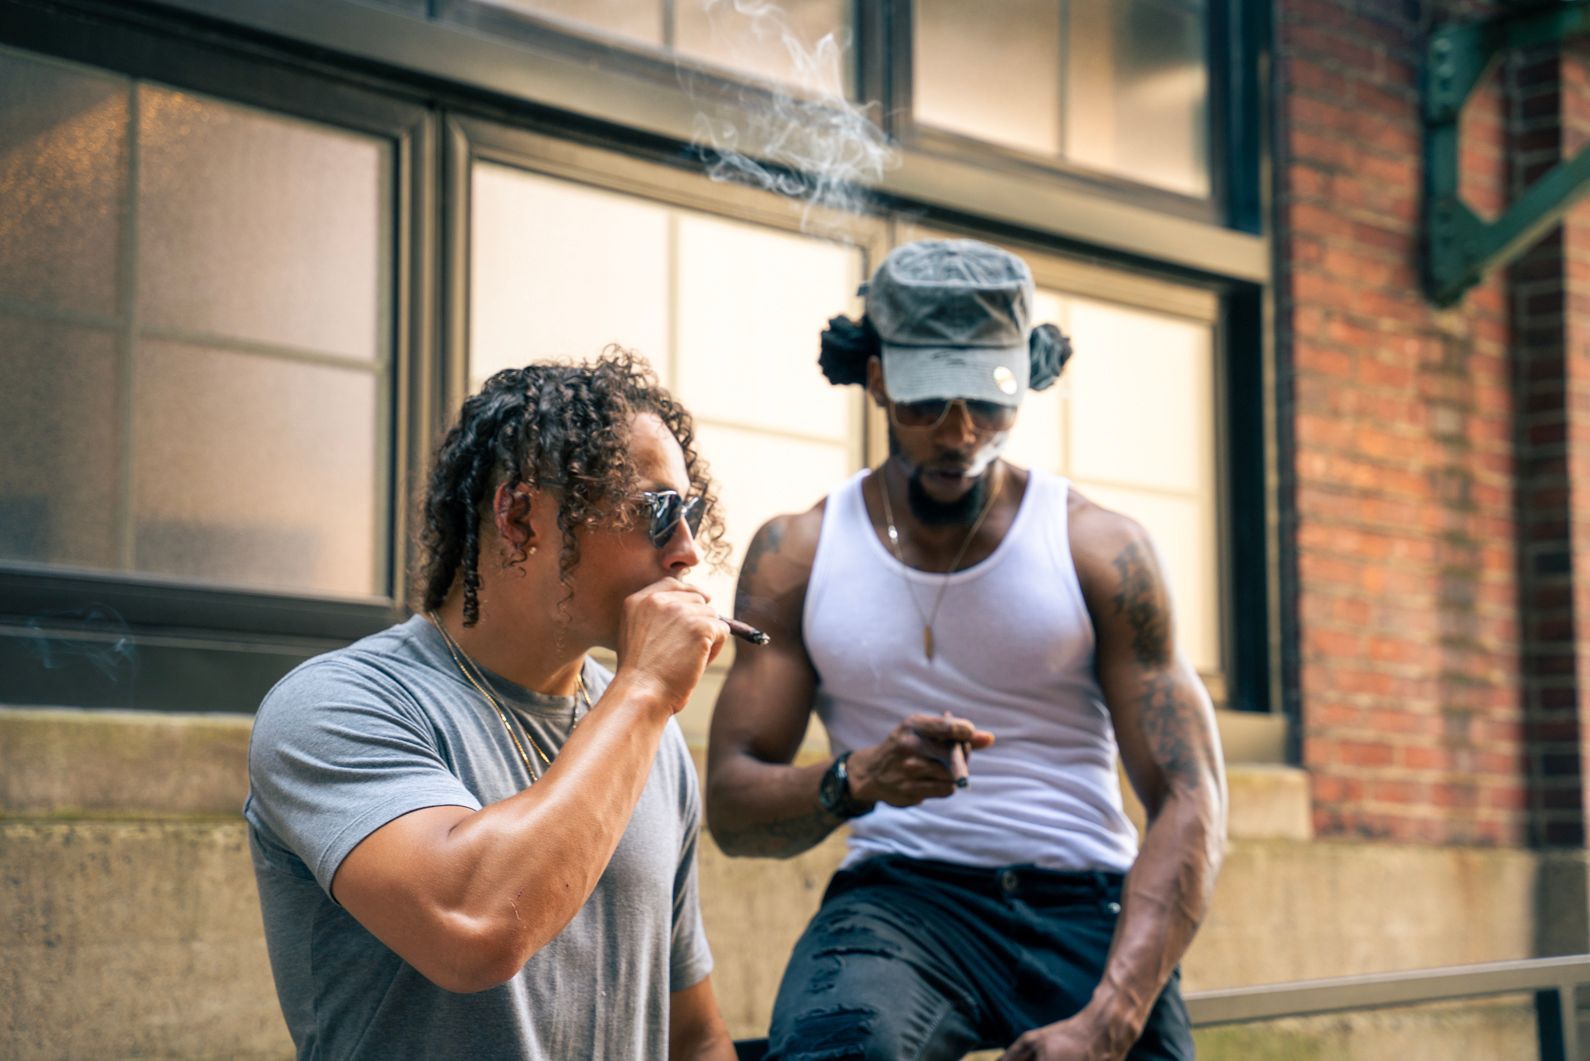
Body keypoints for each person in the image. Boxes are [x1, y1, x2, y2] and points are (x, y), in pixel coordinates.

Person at [706, 240, 1227, 1060]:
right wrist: (857, 779)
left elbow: (1193, 797)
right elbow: (732, 808)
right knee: (837, 1049)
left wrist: (1113, 1017)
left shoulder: (1102, 549)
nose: (959, 433)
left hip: (1087, 904)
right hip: (902, 901)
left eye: (988, 401)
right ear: (876, 379)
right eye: (927, 402)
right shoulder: (798, 553)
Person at [245, 351, 737, 1060]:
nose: (688, 551)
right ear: (518, 516)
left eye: (690, 513)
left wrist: (643, 702)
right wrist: (647, 688)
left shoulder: (648, 737)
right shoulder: (334, 707)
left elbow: (694, 1036)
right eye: (658, 512)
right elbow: (474, 926)